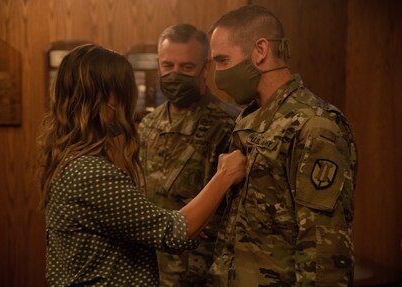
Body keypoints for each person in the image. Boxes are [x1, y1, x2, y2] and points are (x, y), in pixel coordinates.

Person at [36, 44, 246, 287]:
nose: (128, 104)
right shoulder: (89, 172)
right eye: (124, 93)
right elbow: (174, 232)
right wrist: (225, 175)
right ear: (105, 99)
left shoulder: (75, 160)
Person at [208, 5, 358, 287]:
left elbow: (324, 251)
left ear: (260, 50)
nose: (217, 74)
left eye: (223, 60)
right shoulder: (250, 119)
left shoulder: (315, 126)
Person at [138, 24, 239, 287]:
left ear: (205, 68)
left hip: (203, 274)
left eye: (186, 67)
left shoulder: (230, 125)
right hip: (151, 270)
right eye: (167, 65)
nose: (175, 75)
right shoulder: (148, 125)